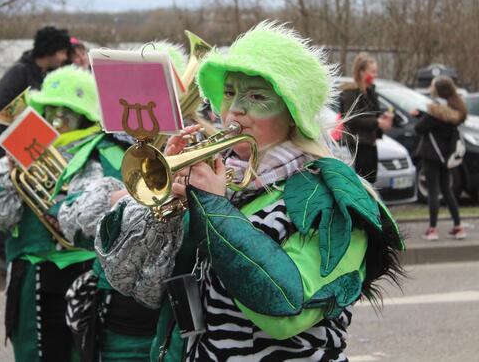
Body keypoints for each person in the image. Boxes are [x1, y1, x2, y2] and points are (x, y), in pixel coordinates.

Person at [94, 22, 405, 361]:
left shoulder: (332, 197)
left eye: (256, 97)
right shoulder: (223, 177)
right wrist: (163, 207)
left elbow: (286, 310)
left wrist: (214, 208)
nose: (235, 109)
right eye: (229, 93)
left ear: (293, 113)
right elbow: (137, 283)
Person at [58, 42, 187, 362]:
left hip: (185, 313)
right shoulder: (101, 149)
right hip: (121, 313)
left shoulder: (198, 143)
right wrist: (121, 197)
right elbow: (72, 218)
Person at [0, 65, 104, 362]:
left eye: (67, 112)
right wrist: (10, 175)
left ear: (85, 116)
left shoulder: (100, 153)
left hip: (87, 274)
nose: (57, 119)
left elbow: (94, 218)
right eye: (51, 110)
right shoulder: (26, 144)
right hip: (31, 276)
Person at [0, 26, 72, 275]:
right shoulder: (19, 72)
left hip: (34, 147)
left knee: (27, 203)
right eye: (62, 52)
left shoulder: (47, 73)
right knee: (6, 199)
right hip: (11, 147)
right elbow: (3, 108)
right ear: (52, 50)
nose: (64, 57)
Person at [412, 76, 468, 241]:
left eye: (432, 86)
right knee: (447, 190)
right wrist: (422, 114)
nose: (430, 88)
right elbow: (438, 124)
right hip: (446, 157)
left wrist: (421, 116)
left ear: (438, 91)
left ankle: (432, 229)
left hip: (431, 156)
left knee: (433, 191)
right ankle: (458, 226)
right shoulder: (455, 111)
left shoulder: (435, 111)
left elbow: (419, 128)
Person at [339, 52, 393, 183]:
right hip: (357, 144)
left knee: (370, 181)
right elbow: (351, 119)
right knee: (361, 183)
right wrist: (377, 122)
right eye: (372, 72)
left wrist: (384, 118)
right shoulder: (351, 92)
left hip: (370, 143)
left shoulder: (370, 91)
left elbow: (373, 114)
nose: (375, 75)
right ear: (361, 72)